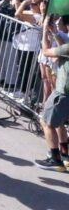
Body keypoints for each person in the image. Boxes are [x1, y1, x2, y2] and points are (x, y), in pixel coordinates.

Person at [35, 15, 69, 171]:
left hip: (63, 92)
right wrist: (54, 32)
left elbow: (46, 51)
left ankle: (55, 159)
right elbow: (63, 48)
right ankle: (65, 154)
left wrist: (44, 31)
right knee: (59, 122)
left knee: (46, 122)